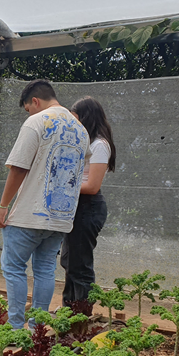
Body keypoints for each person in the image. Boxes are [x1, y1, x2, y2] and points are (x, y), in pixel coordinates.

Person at [0, 79, 90, 329]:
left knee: (14, 267)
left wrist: (3, 206)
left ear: (35, 102)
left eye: (28, 108)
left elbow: (18, 167)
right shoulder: (80, 130)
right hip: (60, 217)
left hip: (29, 215)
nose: (29, 112)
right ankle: (37, 328)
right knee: (45, 270)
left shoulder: (37, 121)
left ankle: (16, 328)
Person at [60, 96, 116, 307]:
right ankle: (69, 306)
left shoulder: (100, 145)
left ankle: (81, 313)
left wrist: (63, 188)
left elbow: (92, 187)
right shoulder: (85, 143)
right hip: (77, 207)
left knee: (80, 265)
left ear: (87, 118)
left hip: (88, 207)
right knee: (69, 260)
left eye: (76, 119)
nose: (74, 124)